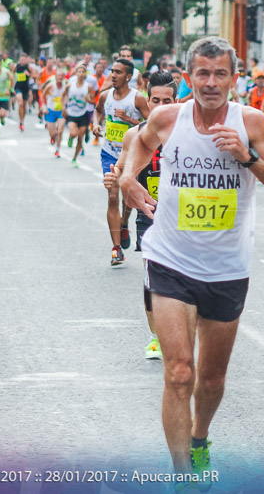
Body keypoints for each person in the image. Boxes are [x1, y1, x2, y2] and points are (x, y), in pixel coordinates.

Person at [118, 37, 264, 481]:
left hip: (227, 268)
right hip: (170, 260)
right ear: (188, 78)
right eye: (202, 73)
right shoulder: (167, 118)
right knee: (179, 373)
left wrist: (247, 156)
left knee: (211, 381)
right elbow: (138, 145)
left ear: (234, 79)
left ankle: (200, 437)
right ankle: (182, 476)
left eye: (220, 73)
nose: (211, 82)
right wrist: (128, 177)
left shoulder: (252, 122)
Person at [102, 72, 177, 359]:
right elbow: (122, 167)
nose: (159, 106)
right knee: (153, 275)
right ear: (147, 98)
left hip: (184, 216)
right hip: (149, 213)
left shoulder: (188, 132)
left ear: (176, 100)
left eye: (166, 101)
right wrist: (115, 177)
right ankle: (156, 337)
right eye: (154, 100)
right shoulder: (135, 134)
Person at [95, 58, 150, 266]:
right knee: (112, 196)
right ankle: (116, 248)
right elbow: (98, 111)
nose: (113, 75)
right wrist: (95, 124)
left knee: (127, 199)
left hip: (131, 155)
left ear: (128, 76)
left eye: (118, 72)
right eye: (112, 71)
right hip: (109, 154)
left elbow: (150, 124)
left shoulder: (137, 99)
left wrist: (129, 120)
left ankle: (124, 222)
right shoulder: (105, 96)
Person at [62, 64, 96, 167]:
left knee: (80, 138)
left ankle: (74, 159)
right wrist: (64, 107)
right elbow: (63, 96)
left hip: (83, 114)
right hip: (72, 113)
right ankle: (70, 138)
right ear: (76, 73)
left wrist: (88, 99)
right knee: (73, 133)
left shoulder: (88, 87)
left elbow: (93, 100)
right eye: (79, 72)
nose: (81, 74)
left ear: (85, 74)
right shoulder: (70, 85)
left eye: (83, 72)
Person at [13, 55, 32, 132]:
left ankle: (22, 120)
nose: (22, 61)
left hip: (26, 88)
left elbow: (35, 76)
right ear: (19, 60)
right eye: (21, 60)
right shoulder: (16, 66)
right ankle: (20, 121)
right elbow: (12, 74)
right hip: (18, 87)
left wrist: (29, 74)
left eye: (24, 60)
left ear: (26, 61)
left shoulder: (29, 67)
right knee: (20, 103)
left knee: (24, 106)